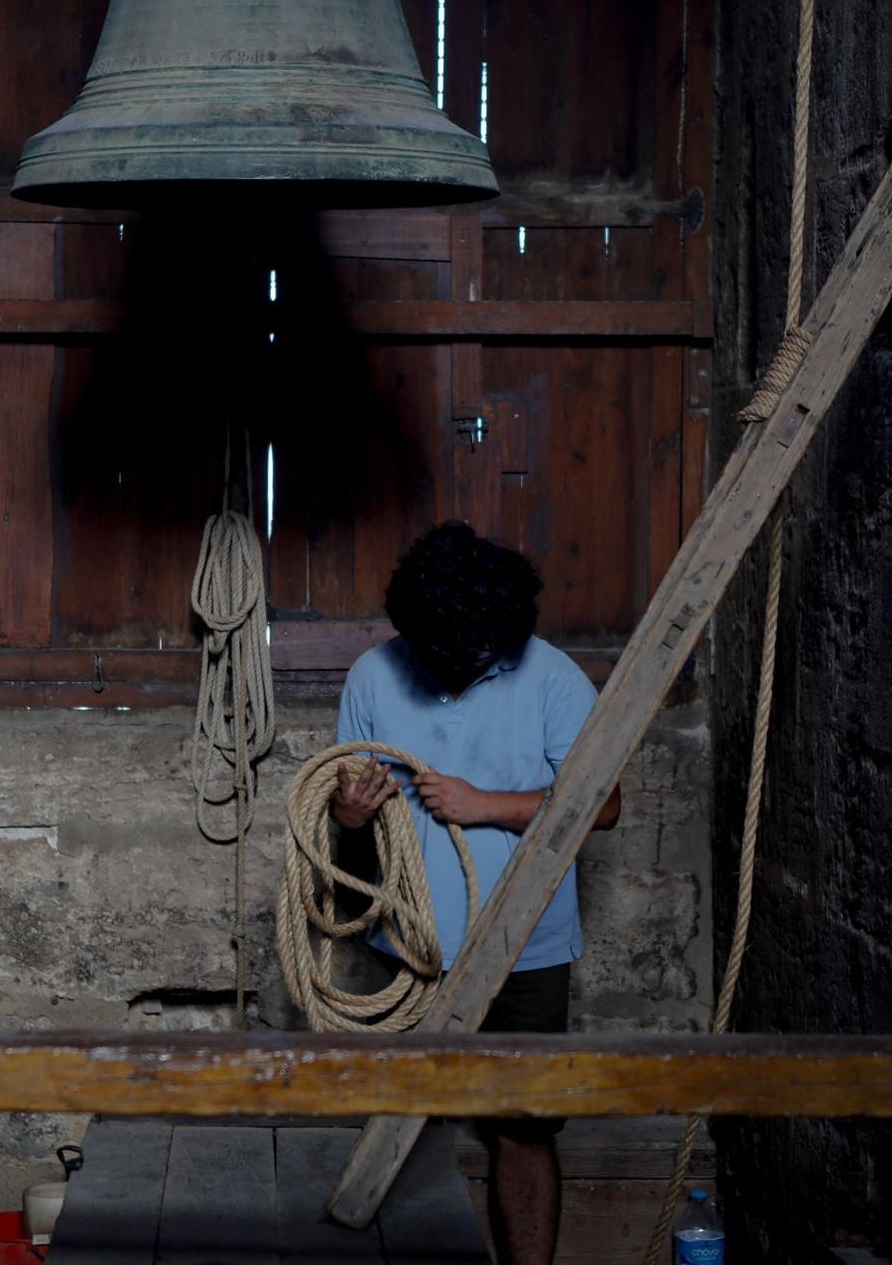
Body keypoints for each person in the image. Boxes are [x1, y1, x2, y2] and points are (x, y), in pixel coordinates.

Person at [329, 521, 619, 1265]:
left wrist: (482, 803)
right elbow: (347, 810)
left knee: (523, 1128)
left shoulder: (551, 677)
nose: (460, 667)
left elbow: (605, 805)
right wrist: (350, 814)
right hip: (412, 945)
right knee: (401, 1125)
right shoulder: (372, 676)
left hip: (527, 945)